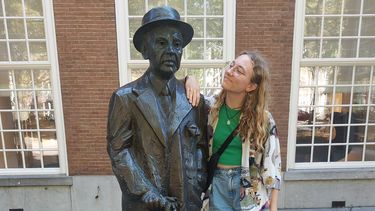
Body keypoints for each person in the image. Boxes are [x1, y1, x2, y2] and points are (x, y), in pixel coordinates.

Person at [107, 6, 208, 211]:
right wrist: (147, 193)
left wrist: (197, 183)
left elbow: (202, 147)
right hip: (145, 205)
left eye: (177, 44)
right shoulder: (125, 98)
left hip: (187, 204)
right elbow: (118, 151)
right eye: (162, 43)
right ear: (145, 50)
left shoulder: (194, 99)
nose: (171, 50)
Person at [186, 50, 281, 211]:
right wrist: (190, 79)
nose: (229, 72)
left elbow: (273, 164)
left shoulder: (263, 119)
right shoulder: (210, 109)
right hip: (217, 185)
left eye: (239, 71)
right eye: (231, 65)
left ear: (251, 86)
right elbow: (182, 92)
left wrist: (274, 207)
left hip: (250, 188)